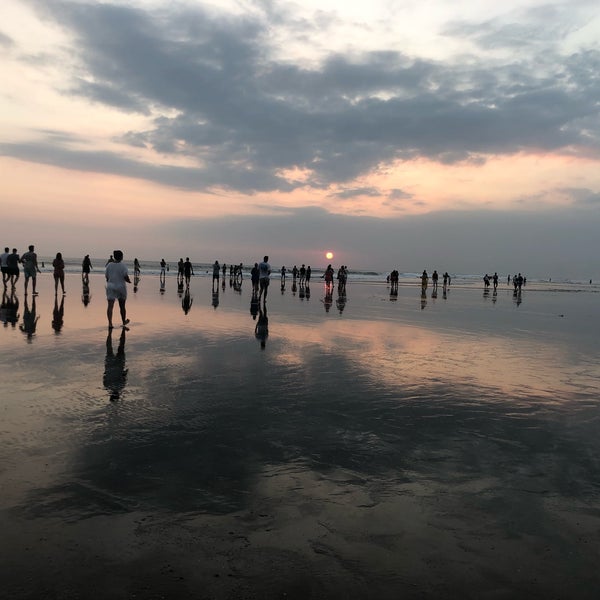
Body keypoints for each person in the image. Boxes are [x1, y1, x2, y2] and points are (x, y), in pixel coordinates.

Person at [105, 249, 131, 329]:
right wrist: (129, 281)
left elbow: (107, 276)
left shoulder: (109, 265)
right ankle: (123, 321)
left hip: (111, 286)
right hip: (121, 287)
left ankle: (110, 323)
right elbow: (125, 276)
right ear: (121, 257)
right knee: (122, 306)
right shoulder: (123, 266)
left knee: (110, 306)